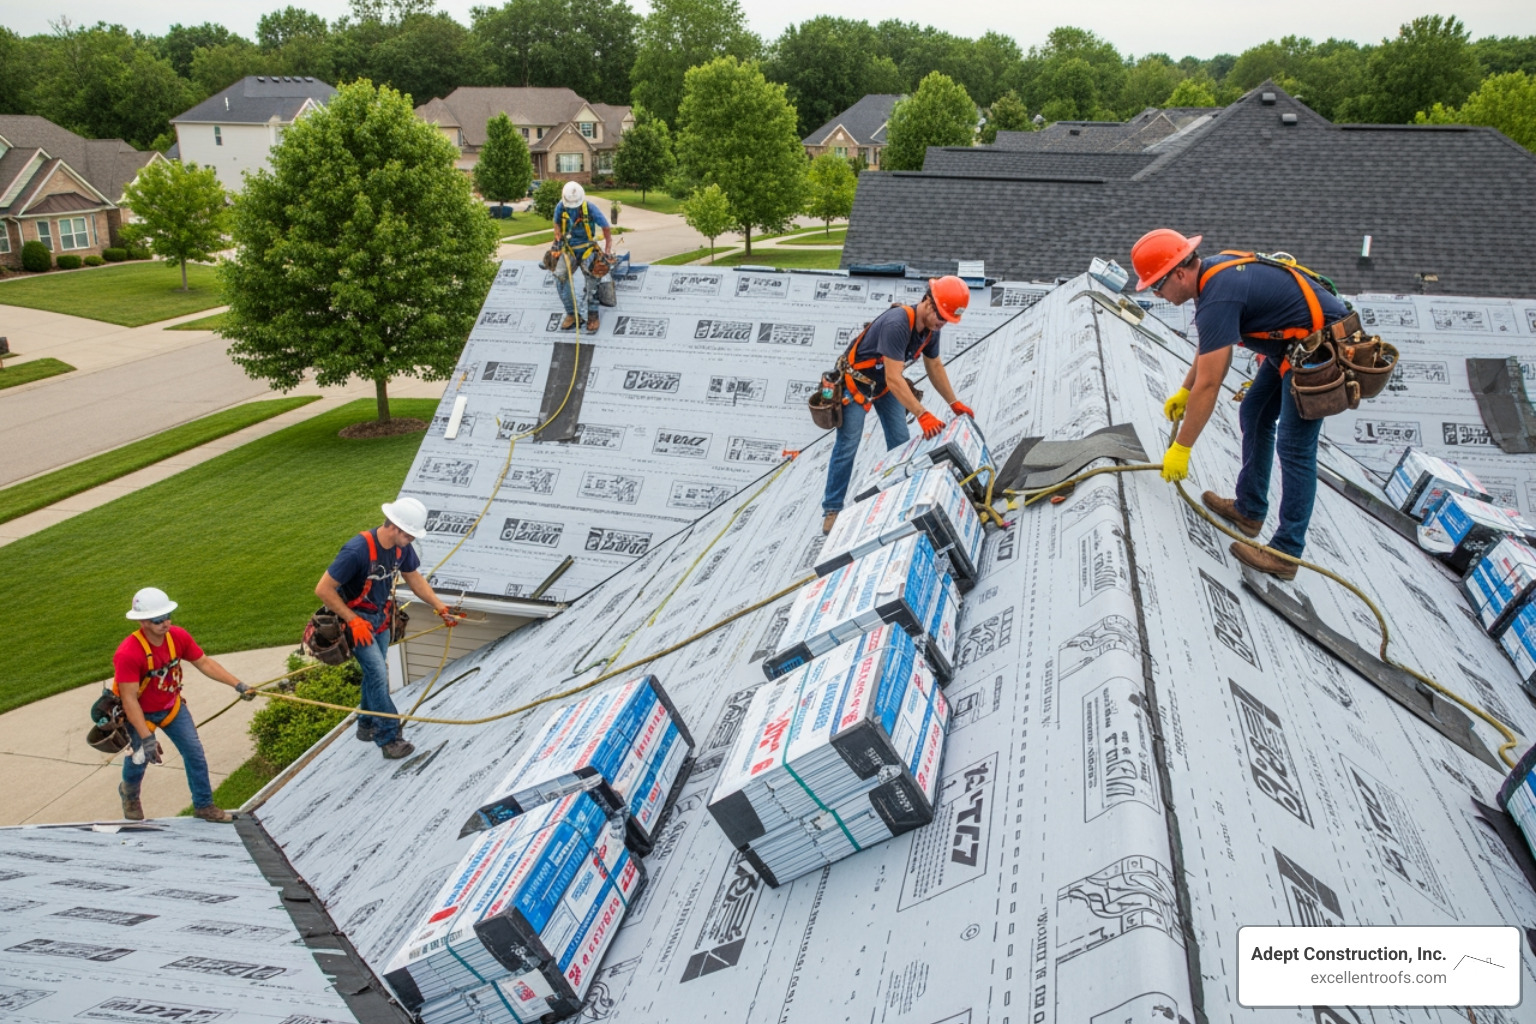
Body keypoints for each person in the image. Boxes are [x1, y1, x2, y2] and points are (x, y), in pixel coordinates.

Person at [1131, 229, 1350, 580]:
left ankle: (1287, 553)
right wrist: (1184, 391)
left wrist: (1182, 447)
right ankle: (1250, 510)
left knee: (1294, 448)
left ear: (1179, 273)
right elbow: (1211, 344)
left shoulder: (1217, 296)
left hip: (1322, 352)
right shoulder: (1212, 277)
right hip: (1295, 348)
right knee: (1254, 412)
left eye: (1157, 285)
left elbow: (1211, 383)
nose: (1157, 294)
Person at [820, 275, 977, 534]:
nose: (941, 325)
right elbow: (895, 377)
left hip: (882, 386)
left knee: (901, 442)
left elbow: (934, 366)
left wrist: (954, 402)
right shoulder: (898, 324)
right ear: (928, 302)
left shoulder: (931, 330)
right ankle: (832, 509)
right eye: (941, 318)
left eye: (946, 321)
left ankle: (898, 496)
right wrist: (922, 413)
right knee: (848, 444)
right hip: (855, 383)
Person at [315, 497, 461, 759]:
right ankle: (389, 738)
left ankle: (366, 724)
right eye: (409, 535)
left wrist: (440, 606)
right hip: (357, 623)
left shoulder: (401, 549)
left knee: (375, 673)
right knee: (379, 674)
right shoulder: (356, 551)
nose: (412, 540)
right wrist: (352, 620)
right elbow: (323, 589)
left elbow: (414, 580)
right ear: (394, 526)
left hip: (380, 619)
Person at [114, 587, 255, 822]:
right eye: (157, 619)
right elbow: (129, 699)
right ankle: (129, 793)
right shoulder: (128, 654)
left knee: (194, 754)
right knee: (139, 759)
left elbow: (204, 662)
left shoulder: (178, 636)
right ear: (143, 622)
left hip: (172, 707)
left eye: (167, 616)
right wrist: (146, 737)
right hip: (141, 714)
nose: (165, 623)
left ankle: (204, 805)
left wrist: (237, 684)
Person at [551, 181, 613, 334]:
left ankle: (592, 315)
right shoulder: (561, 206)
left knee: (593, 279)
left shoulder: (590, 208)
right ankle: (572, 314)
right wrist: (557, 239)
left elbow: (606, 227)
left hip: (587, 248)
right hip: (569, 249)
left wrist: (607, 249)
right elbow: (556, 223)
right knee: (560, 277)